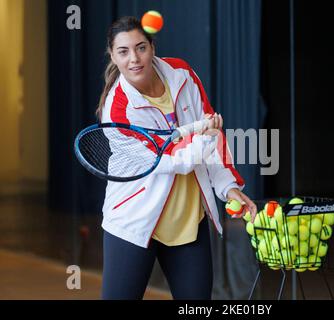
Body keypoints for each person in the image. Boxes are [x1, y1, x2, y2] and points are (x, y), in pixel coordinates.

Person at [96, 16, 257, 300]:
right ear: (113, 55)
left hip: (187, 223)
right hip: (133, 225)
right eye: (123, 51)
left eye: (141, 47)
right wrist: (205, 135)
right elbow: (171, 159)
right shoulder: (117, 110)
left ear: (152, 46)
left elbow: (214, 139)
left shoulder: (182, 74)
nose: (134, 58)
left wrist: (228, 187)